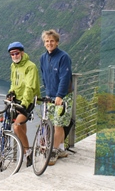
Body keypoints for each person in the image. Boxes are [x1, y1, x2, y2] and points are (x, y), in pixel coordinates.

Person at [40, 29, 73, 166]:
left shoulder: (63, 57)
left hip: (62, 97)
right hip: (50, 96)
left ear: (57, 42)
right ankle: (60, 149)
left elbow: (65, 77)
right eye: (47, 41)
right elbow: (44, 75)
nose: (49, 43)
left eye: (52, 41)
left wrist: (60, 95)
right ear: (44, 43)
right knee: (52, 124)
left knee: (58, 124)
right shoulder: (43, 57)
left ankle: (53, 152)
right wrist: (48, 92)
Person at [6, 42, 40, 167]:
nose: (14, 56)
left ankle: (28, 152)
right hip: (17, 100)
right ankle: (27, 152)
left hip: (28, 100)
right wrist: (10, 93)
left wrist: (24, 105)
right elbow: (13, 83)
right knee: (21, 127)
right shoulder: (13, 66)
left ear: (22, 52)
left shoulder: (30, 67)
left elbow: (29, 87)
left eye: (17, 53)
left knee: (16, 126)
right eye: (12, 54)